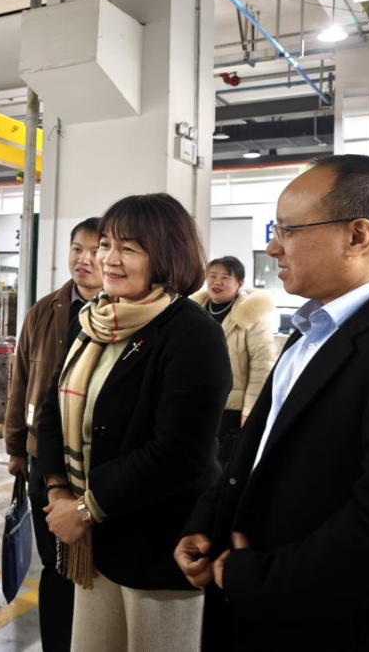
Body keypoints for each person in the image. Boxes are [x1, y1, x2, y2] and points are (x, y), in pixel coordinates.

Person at [175, 154, 369, 651]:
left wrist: (257, 578)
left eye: (288, 229)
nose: (273, 246)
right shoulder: (313, 329)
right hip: (267, 609)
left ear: (358, 235)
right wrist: (208, 526)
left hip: (350, 631)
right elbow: (258, 455)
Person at [36, 194, 232, 652]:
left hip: (158, 545)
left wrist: (85, 509)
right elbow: (52, 407)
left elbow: (178, 455)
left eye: (128, 248)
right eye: (106, 244)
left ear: (165, 255)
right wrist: (57, 489)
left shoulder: (191, 333)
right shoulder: (92, 321)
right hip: (96, 547)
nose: (108, 258)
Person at [4, 217, 103, 651]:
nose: (85, 259)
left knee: (96, 568)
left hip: (95, 460)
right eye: (77, 248)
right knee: (55, 564)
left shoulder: (123, 313)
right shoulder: (44, 311)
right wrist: (15, 448)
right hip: (42, 455)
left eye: (95, 250)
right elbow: (20, 382)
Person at [190, 256, 276, 465]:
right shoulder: (193, 312)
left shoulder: (252, 316)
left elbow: (262, 366)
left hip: (231, 410)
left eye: (225, 277)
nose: (217, 282)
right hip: (194, 403)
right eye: (212, 276)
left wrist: (250, 410)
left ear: (240, 283)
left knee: (223, 467)